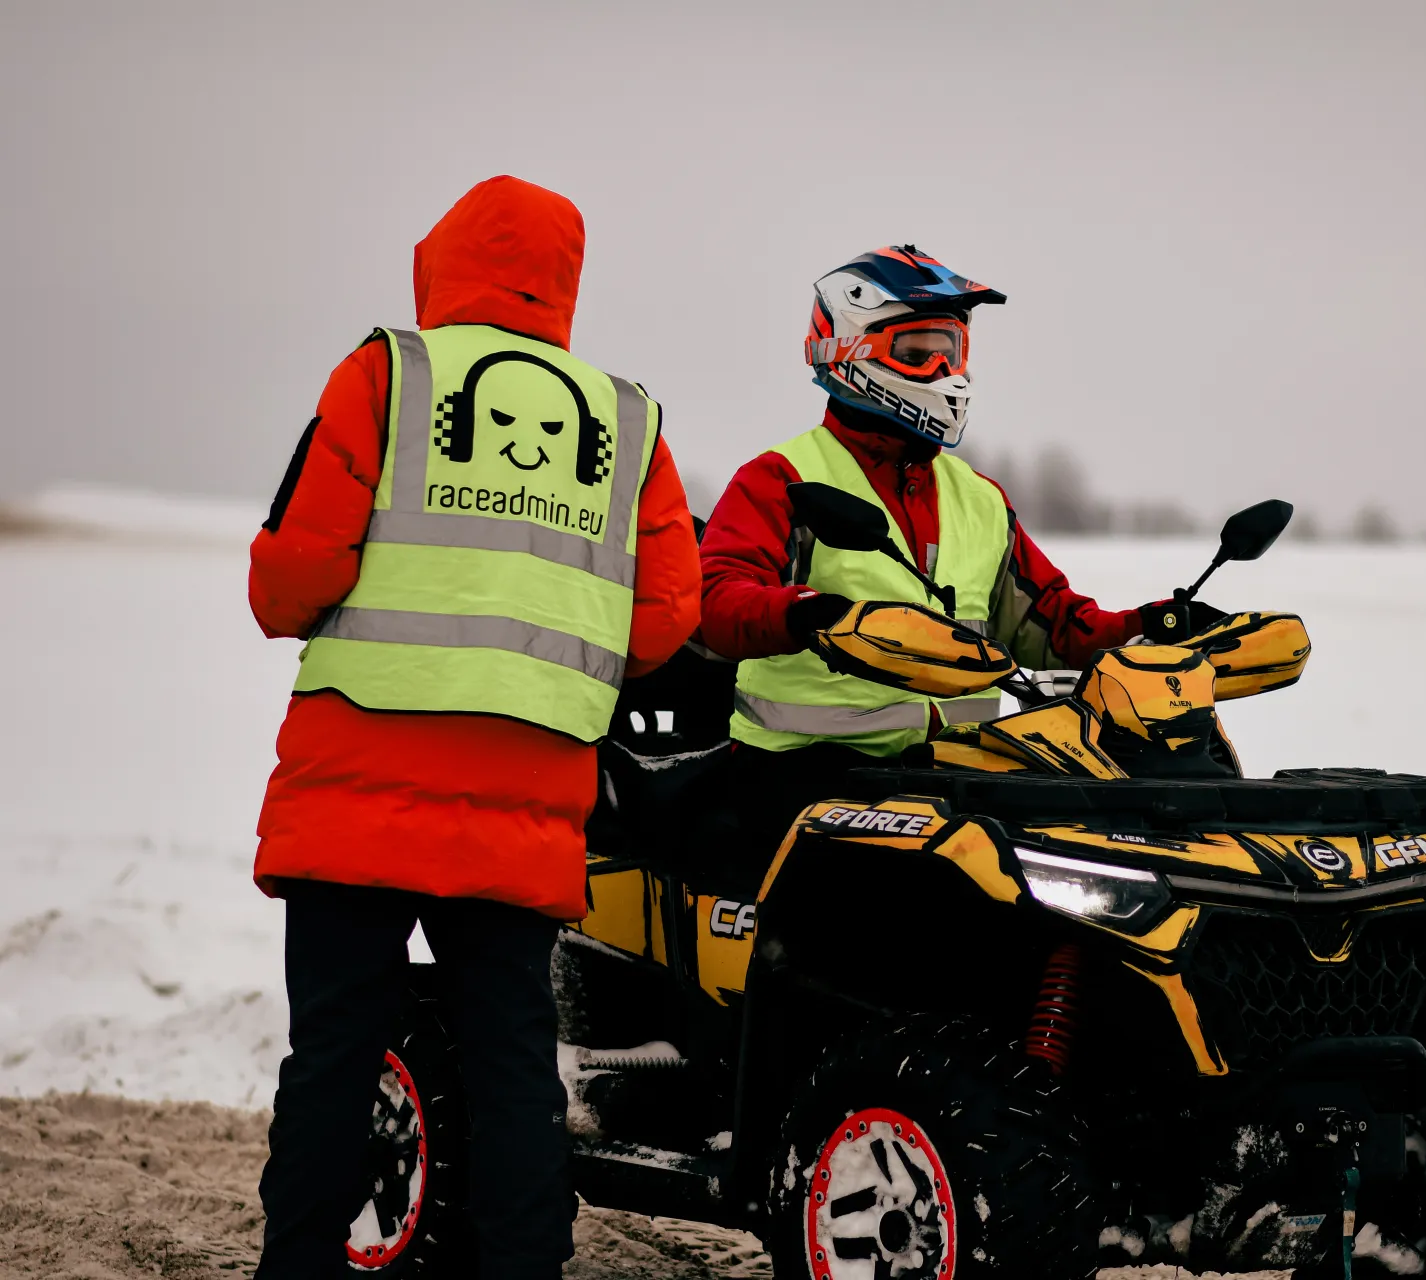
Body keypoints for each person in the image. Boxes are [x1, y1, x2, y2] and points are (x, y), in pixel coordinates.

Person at [247, 175, 700, 1278]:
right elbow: (664, 618)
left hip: (356, 788)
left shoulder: (386, 374)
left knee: (335, 1057)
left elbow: (290, 580)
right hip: (525, 801)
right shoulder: (628, 419)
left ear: (441, 262)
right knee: (512, 1068)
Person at [699, 245, 1220, 839]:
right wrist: (811, 615)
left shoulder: (980, 498)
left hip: (954, 775)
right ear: (848, 352)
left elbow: (1055, 626)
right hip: (805, 776)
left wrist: (1151, 626)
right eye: (918, 353)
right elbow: (715, 598)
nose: (944, 372)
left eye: (952, 351)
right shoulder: (782, 478)